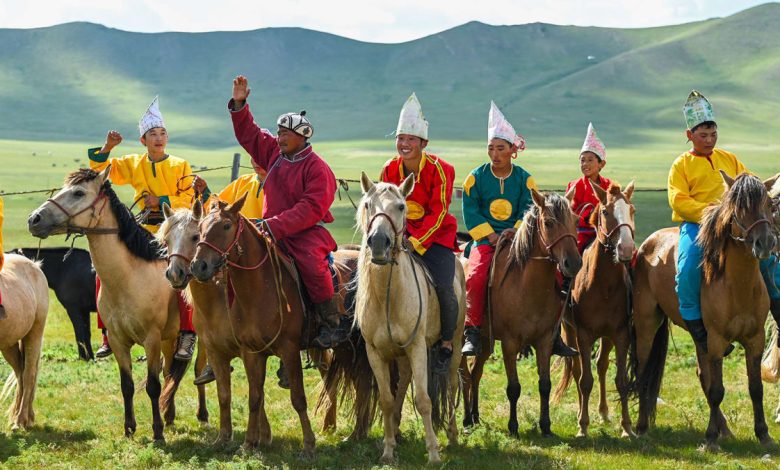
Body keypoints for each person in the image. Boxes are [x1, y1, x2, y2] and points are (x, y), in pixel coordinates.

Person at [228, 75, 348, 349]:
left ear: (302, 137)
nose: (279, 137)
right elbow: (250, 134)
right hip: (270, 229)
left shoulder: (318, 168)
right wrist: (239, 104)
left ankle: (330, 322)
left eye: (285, 134)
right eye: (279, 133)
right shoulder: (273, 153)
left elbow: (311, 208)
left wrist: (274, 226)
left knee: (312, 265)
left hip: (304, 233)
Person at [461, 102, 577, 358]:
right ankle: (472, 331)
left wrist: (514, 231)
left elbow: (529, 210)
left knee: (556, 277)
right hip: (485, 240)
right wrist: (489, 234)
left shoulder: (525, 179)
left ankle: (554, 333)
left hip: (518, 239)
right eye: (491, 148)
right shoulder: (475, 178)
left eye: (501, 148)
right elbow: (470, 209)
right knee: (476, 276)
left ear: (513, 150)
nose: (495, 154)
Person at [669, 90, 780, 354]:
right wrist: (711, 212)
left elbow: (750, 184)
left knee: (768, 258)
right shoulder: (681, 165)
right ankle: (698, 327)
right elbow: (678, 200)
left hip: (735, 225)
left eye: (713, 134)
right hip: (698, 225)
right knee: (687, 267)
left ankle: (777, 305)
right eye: (703, 135)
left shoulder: (729, 159)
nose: (709, 140)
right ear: (689, 136)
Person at [88, 96, 197, 361]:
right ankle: (107, 333)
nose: (158, 138)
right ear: (143, 141)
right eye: (152, 134)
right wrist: (108, 146)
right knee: (105, 270)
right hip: (143, 230)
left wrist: (161, 202)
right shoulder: (133, 163)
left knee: (184, 274)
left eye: (162, 133)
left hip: (172, 231)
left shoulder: (179, 164)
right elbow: (100, 170)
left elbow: (189, 197)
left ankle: (187, 332)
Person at [380, 93, 459, 375]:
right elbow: (385, 207)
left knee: (445, 287)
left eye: (411, 139)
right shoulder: (389, 169)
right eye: (401, 138)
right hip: (399, 236)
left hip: (433, 239)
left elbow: (439, 212)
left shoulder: (441, 170)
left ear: (423, 143)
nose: (405, 144)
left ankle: (447, 343)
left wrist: (417, 242)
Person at [566, 123, 612, 254]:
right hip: (582, 233)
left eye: (590, 160)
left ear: (601, 164)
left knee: (629, 253)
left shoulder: (609, 185)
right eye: (582, 160)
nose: (585, 164)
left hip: (606, 232)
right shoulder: (573, 186)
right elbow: (569, 214)